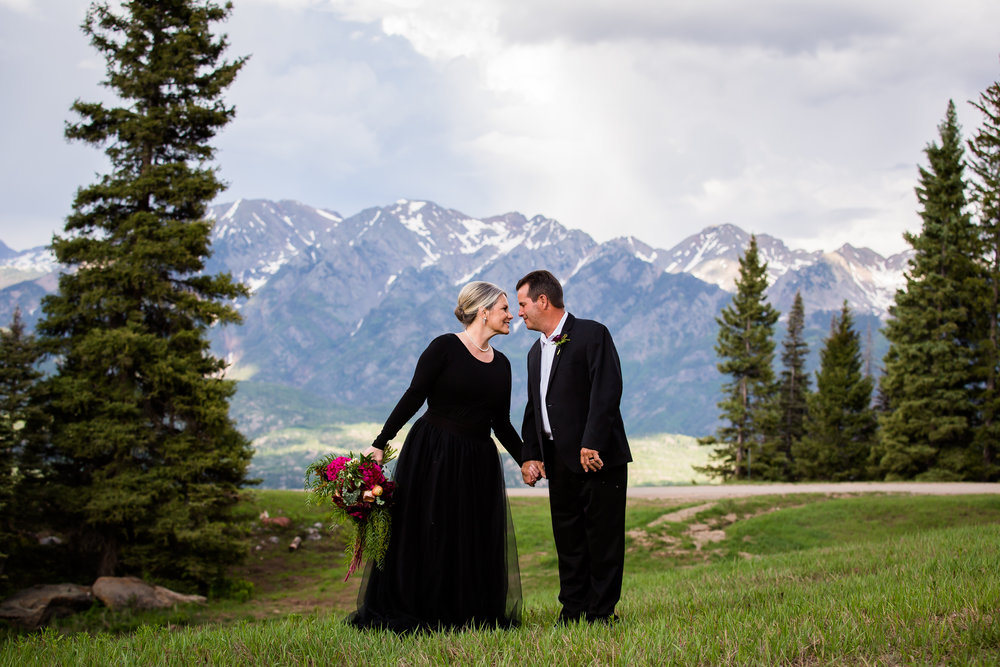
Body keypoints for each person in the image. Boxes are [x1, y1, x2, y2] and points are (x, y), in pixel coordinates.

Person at [347, 281, 523, 633]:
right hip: (434, 453)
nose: (511, 315)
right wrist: (381, 441)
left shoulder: (502, 364)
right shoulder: (444, 347)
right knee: (430, 531)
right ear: (483, 311)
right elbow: (414, 396)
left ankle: (465, 612)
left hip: (478, 460)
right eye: (504, 308)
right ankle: (422, 608)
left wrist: (527, 459)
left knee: (471, 536)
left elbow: (500, 422)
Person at [516, 269, 632, 625]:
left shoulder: (592, 334)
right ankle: (573, 610)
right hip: (559, 461)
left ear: (542, 301)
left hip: (598, 458)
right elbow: (535, 406)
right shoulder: (535, 353)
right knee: (568, 539)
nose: (519, 313)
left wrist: (590, 442)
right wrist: (531, 453)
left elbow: (607, 389)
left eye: (522, 304)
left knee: (603, 538)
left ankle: (601, 613)